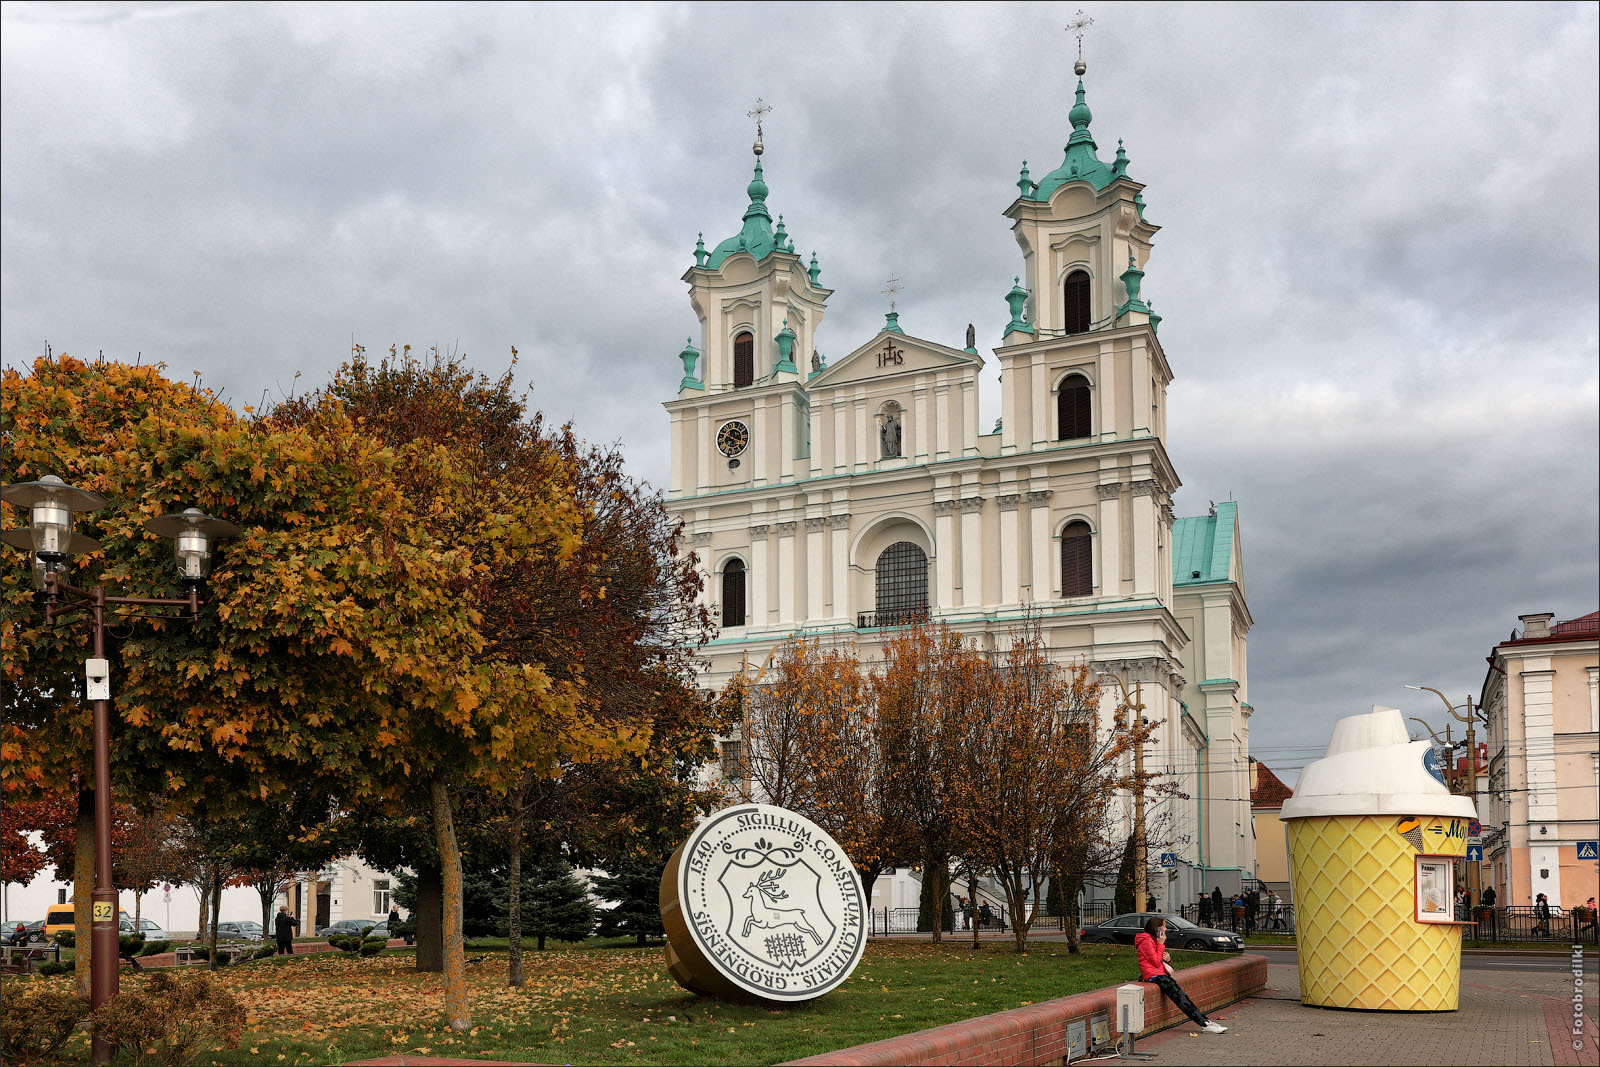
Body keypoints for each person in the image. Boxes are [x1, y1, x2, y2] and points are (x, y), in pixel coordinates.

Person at [1135, 916, 1227, 1034]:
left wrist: (1168, 959)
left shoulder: (1153, 940)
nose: (1166, 929)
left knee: (1183, 996)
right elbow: (1155, 962)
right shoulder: (1146, 941)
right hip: (1154, 976)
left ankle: (1205, 1021)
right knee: (1180, 998)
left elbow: (1160, 961)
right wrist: (1161, 944)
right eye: (1164, 926)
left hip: (1160, 975)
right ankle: (1204, 1023)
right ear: (1157, 928)